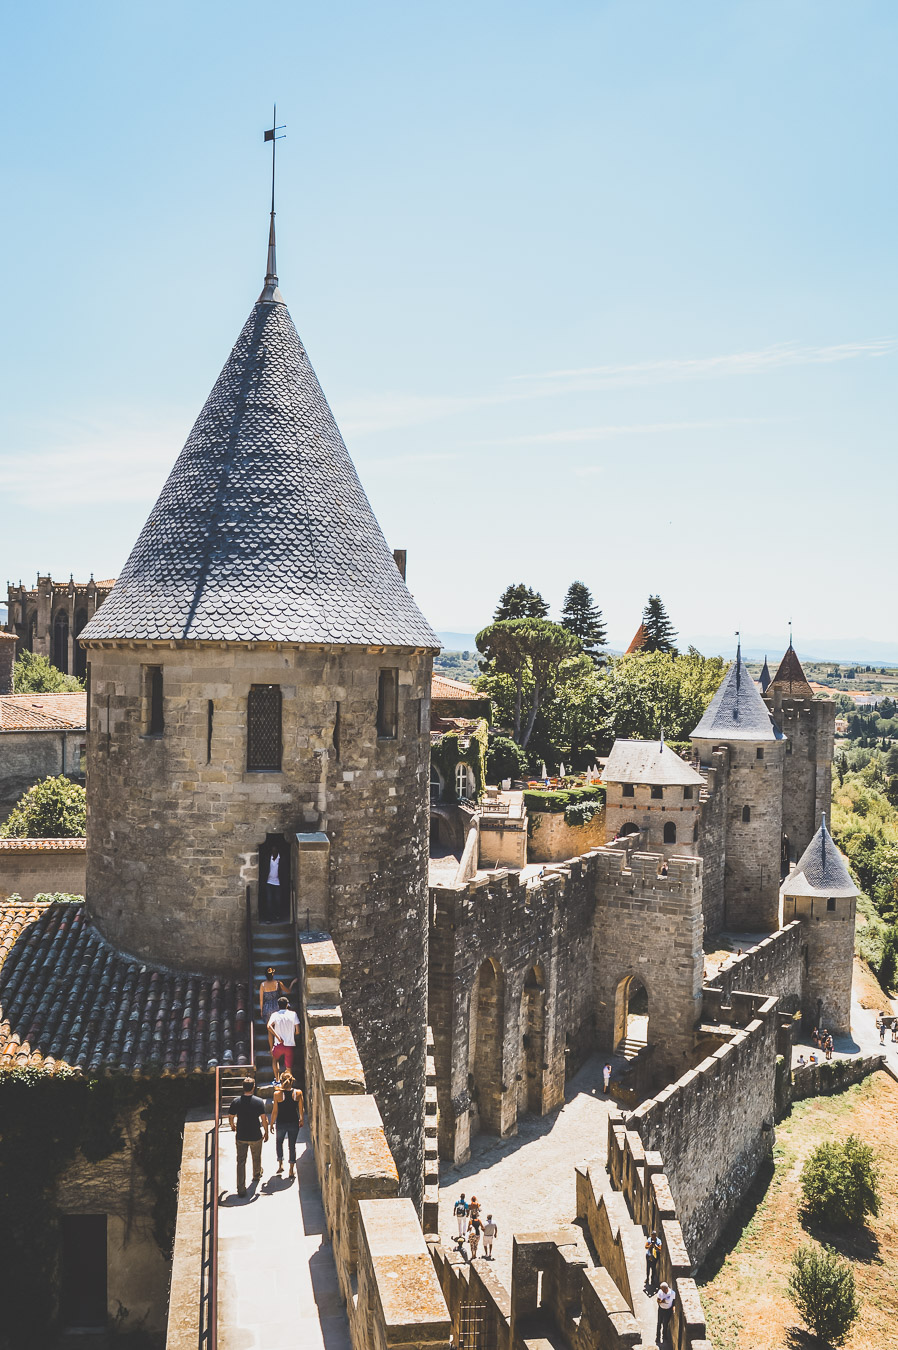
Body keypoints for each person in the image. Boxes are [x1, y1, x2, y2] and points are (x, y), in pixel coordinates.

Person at [228, 1076, 268, 1197]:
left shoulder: (236, 1101)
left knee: (241, 1161)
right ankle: (256, 1174)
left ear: (243, 1087)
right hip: (255, 1134)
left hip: (241, 1134)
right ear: (253, 1087)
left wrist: (232, 1125)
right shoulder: (259, 1102)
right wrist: (266, 1131)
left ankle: (241, 1188)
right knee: (256, 1157)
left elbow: (230, 1116)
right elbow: (264, 1119)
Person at [271, 1071, 304, 1179]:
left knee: (279, 1142)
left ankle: (280, 1164)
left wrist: (271, 1123)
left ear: (281, 1081)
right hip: (293, 1121)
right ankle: (291, 1169)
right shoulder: (298, 1093)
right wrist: (301, 1119)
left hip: (281, 1122)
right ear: (292, 1081)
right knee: (292, 1145)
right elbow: (300, 1109)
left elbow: (275, 1111)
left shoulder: (277, 1094)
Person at [268, 996, 301, 1080]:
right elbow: (297, 1031)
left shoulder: (275, 1015)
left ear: (278, 1005)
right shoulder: (293, 1014)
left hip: (279, 1044)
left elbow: (268, 1026)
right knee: (288, 1066)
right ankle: (288, 1082)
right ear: (287, 1005)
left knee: (275, 1059)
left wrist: (278, 1036)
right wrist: (291, 1034)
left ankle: (277, 1079)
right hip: (289, 1044)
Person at [260, 967, 286, 1056]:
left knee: (269, 1030)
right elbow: (288, 991)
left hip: (267, 1008)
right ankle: (281, 1046)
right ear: (273, 974)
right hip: (276, 1006)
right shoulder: (277, 983)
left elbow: (261, 1000)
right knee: (278, 1028)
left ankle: (272, 1049)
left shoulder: (262, 985)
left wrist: (261, 1010)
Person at [655, 1282, 676, 1346]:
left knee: (665, 1323)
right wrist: (663, 1301)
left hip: (668, 1310)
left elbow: (674, 1301)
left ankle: (664, 1336)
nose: (662, 1291)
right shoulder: (660, 1292)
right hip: (661, 1309)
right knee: (659, 1323)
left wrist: (673, 1308)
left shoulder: (672, 1293)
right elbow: (658, 1301)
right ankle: (658, 1337)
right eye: (661, 1289)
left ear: (666, 1288)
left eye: (663, 1289)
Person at [266, 847, 282, 922]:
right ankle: (269, 917)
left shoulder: (281, 859)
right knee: (269, 900)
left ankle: (277, 915)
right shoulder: (268, 858)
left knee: (277, 900)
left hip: (277, 882)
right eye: (273, 850)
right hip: (269, 881)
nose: (274, 851)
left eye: (275, 850)